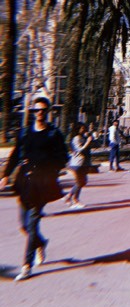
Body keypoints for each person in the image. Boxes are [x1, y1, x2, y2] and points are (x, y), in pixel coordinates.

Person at [0, 96, 69, 281]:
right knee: (24, 225)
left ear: (47, 112)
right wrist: (5, 175)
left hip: (41, 184)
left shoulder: (53, 134)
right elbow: (15, 155)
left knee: (32, 224)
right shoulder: (25, 133)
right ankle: (41, 242)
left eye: (42, 110)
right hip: (24, 182)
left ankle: (26, 266)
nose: (39, 113)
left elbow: (63, 157)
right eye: (36, 110)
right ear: (32, 112)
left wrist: (48, 167)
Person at [63, 122, 93, 209]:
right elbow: (80, 150)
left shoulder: (82, 137)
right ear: (77, 129)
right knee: (79, 182)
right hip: (77, 163)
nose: (83, 130)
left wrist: (88, 137)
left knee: (82, 181)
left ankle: (70, 197)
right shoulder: (76, 138)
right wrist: (87, 142)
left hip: (83, 163)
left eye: (84, 128)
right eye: (82, 128)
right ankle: (74, 199)